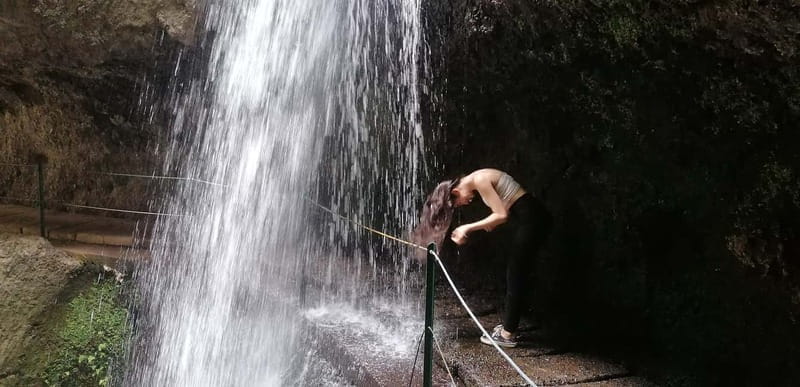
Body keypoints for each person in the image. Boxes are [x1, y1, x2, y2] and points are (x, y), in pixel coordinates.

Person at [413, 168, 552, 348]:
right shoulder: (478, 180)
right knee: (518, 271)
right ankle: (509, 327)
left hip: (532, 219)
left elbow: (501, 215)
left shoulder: (479, 179)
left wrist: (467, 228)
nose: (465, 203)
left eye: (458, 203)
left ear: (456, 192)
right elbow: (499, 215)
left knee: (516, 273)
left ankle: (507, 334)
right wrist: (486, 224)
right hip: (530, 218)